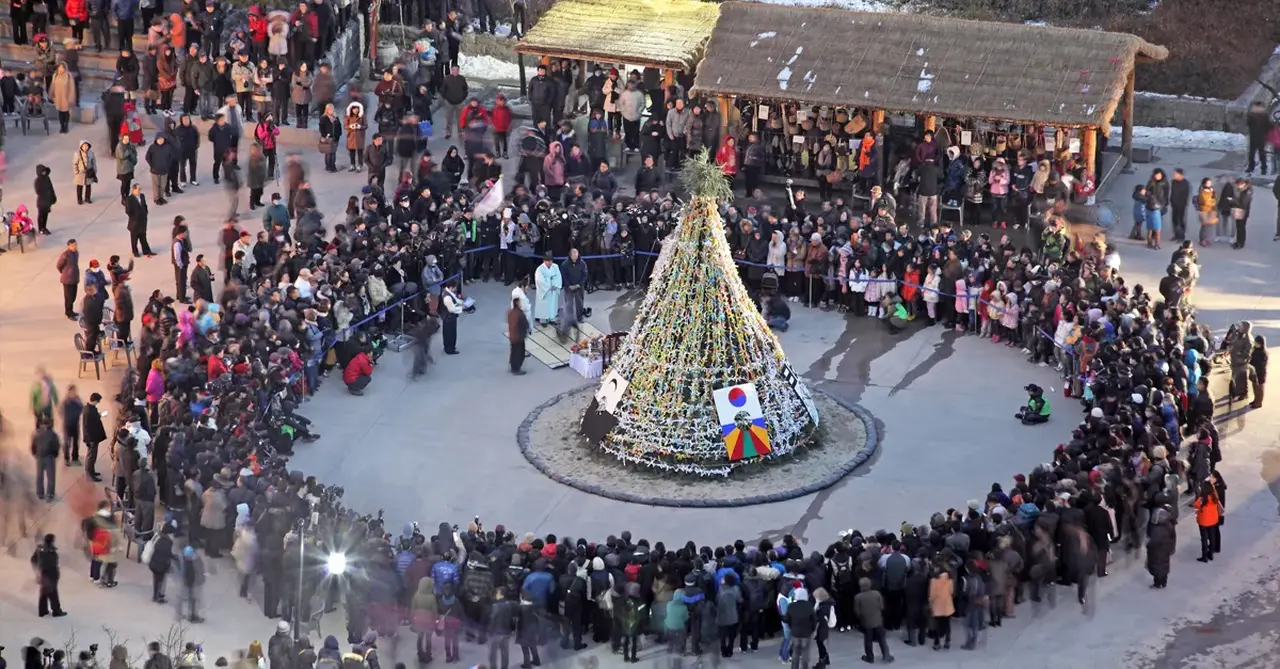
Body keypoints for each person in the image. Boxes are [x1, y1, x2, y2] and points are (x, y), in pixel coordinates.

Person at [852, 578, 891, 663]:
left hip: (866, 622)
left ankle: (870, 657)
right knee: (882, 639)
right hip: (878, 620)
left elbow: (857, 612)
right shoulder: (877, 594)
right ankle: (886, 655)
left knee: (868, 640)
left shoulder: (858, 597)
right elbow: (882, 607)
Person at [31, 533, 67, 617]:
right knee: (53, 593)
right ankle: (56, 611)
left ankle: (42, 611)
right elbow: (53, 562)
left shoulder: (40, 549)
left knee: (44, 592)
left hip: (43, 573)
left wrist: (38, 568)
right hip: (51, 573)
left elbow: (33, 559)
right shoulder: (50, 550)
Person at [1193, 481, 1222, 563]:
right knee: (1212, 536)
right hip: (1213, 520)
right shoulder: (1214, 497)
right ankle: (1211, 553)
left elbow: (1195, 505)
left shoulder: (1202, 499)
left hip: (1203, 521)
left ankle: (1204, 556)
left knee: (1204, 538)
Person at [82, 392, 106, 482]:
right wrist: (89, 440)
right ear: (95, 400)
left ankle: (91, 470)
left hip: (93, 437)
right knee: (91, 456)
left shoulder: (89, 409)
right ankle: (90, 473)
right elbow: (87, 426)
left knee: (92, 456)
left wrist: (100, 415)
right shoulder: (89, 411)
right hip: (92, 438)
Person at [126, 182, 154, 256]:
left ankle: (146, 250)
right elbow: (128, 211)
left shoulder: (142, 196)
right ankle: (135, 252)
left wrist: (145, 213)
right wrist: (134, 217)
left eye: (140, 189)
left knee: (143, 237)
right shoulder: (129, 199)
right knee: (134, 239)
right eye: (138, 189)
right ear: (133, 190)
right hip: (134, 222)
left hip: (142, 221)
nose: (140, 191)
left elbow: (144, 205)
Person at [533, 253, 561, 325]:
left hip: (553, 290)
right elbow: (539, 280)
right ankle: (543, 320)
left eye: (551, 261)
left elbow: (558, 277)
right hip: (545, 291)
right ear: (544, 261)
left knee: (552, 304)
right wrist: (548, 287)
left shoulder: (555, 266)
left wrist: (555, 285)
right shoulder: (540, 269)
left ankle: (552, 318)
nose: (550, 263)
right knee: (544, 305)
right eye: (548, 261)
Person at [57, 239, 81, 320]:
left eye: (76, 245)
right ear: (69, 246)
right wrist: (65, 273)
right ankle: (68, 313)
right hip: (67, 279)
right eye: (73, 245)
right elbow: (59, 265)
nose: (75, 246)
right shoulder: (65, 255)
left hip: (74, 277)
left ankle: (71, 310)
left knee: (73, 296)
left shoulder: (76, 253)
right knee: (68, 297)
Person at [61, 385, 83, 466]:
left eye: (75, 391)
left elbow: (82, 409)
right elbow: (61, 411)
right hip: (67, 425)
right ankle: (66, 458)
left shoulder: (78, 400)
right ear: (69, 392)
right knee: (67, 442)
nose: (73, 393)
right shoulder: (65, 402)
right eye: (72, 392)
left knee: (76, 442)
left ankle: (75, 458)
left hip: (75, 424)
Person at [507, 296, 529, 376]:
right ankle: (516, 369)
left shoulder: (511, 312)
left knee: (513, 351)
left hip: (512, 336)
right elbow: (525, 324)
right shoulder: (520, 314)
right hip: (519, 337)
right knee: (519, 353)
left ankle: (513, 366)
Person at [441, 279, 463, 355]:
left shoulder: (447, 292)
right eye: (454, 287)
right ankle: (450, 349)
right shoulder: (447, 297)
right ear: (451, 287)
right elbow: (451, 309)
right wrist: (461, 308)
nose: (455, 289)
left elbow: (455, 300)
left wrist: (460, 303)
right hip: (449, 317)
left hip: (447, 317)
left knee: (448, 333)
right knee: (450, 333)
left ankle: (448, 347)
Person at [35, 164, 57, 235]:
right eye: (42, 171)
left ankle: (44, 227)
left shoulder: (47, 178)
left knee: (45, 215)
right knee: (41, 215)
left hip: (48, 201)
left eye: (44, 171)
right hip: (41, 202)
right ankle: (40, 228)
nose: (44, 172)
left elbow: (51, 187)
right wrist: (45, 194)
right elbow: (38, 191)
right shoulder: (37, 181)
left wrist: (53, 197)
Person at [1231, 178, 1253, 249]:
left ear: (1242, 184)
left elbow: (1243, 204)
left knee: (1241, 227)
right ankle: (1238, 241)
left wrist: (1233, 201)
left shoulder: (1247, 192)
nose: (1237, 187)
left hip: (1243, 212)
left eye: (1237, 185)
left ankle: (1241, 243)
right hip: (1239, 211)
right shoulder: (1242, 190)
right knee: (1238, 227)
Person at [172, 226, 191, 303]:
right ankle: (182, 298)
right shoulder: (177, 243)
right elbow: (177, 256)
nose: (186, 234)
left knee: (179, 280)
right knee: (181, 281)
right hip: (180, 265)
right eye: (185, 232)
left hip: (181, 265)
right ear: (181, 233)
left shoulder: (180, 240)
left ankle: (179, 295)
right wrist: (181, 265)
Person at [1250, 335, 1268, 409]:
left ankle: (1258, 403)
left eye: (1256, 343)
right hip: (1254, 371)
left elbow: (1260, 365)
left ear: (1261, 344)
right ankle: (1256, 400)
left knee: (1259, 388)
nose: (1255, 344)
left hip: (1260, 373)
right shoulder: (1256, 350)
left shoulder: (1263, 353)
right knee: (1255, 387)